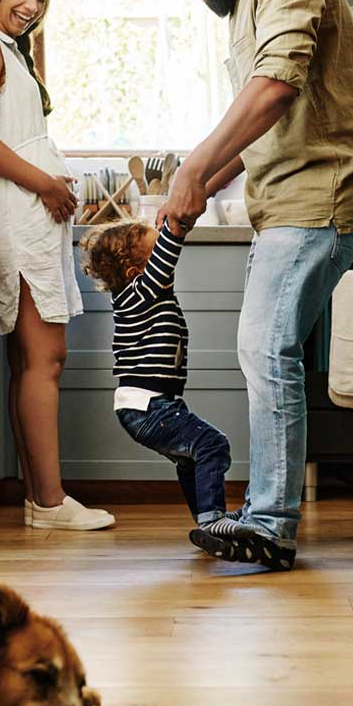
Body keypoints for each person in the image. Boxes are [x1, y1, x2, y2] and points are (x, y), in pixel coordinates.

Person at [149, 0, 353, 570]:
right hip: (284, 203)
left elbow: (277, 86)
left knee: (263, 347)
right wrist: (199, 189)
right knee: (264, 350)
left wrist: (195, 166)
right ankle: (267, 519)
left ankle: (272, 525)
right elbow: (262, 123)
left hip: (321, 198)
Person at [0, 0, 113, 531]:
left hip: (27, 218)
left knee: (30, 360)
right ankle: (49, 502)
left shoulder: (10, 54)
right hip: (20, 220)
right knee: (45, 358)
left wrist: (52, 183)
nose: (31, 6)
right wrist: (46, 183)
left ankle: (40, 500)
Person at [79, 220, 235, 540]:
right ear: (137, 274)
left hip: (152, 404)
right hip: (149, 406)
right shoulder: (137, 294)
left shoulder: (143, 298)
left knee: (190, 458)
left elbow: (161, 263)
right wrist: (175, 227)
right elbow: (167, 257)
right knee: (211, 444)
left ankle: (208, 521)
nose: (166, 270)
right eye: (155, 259)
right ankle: (213, 519)